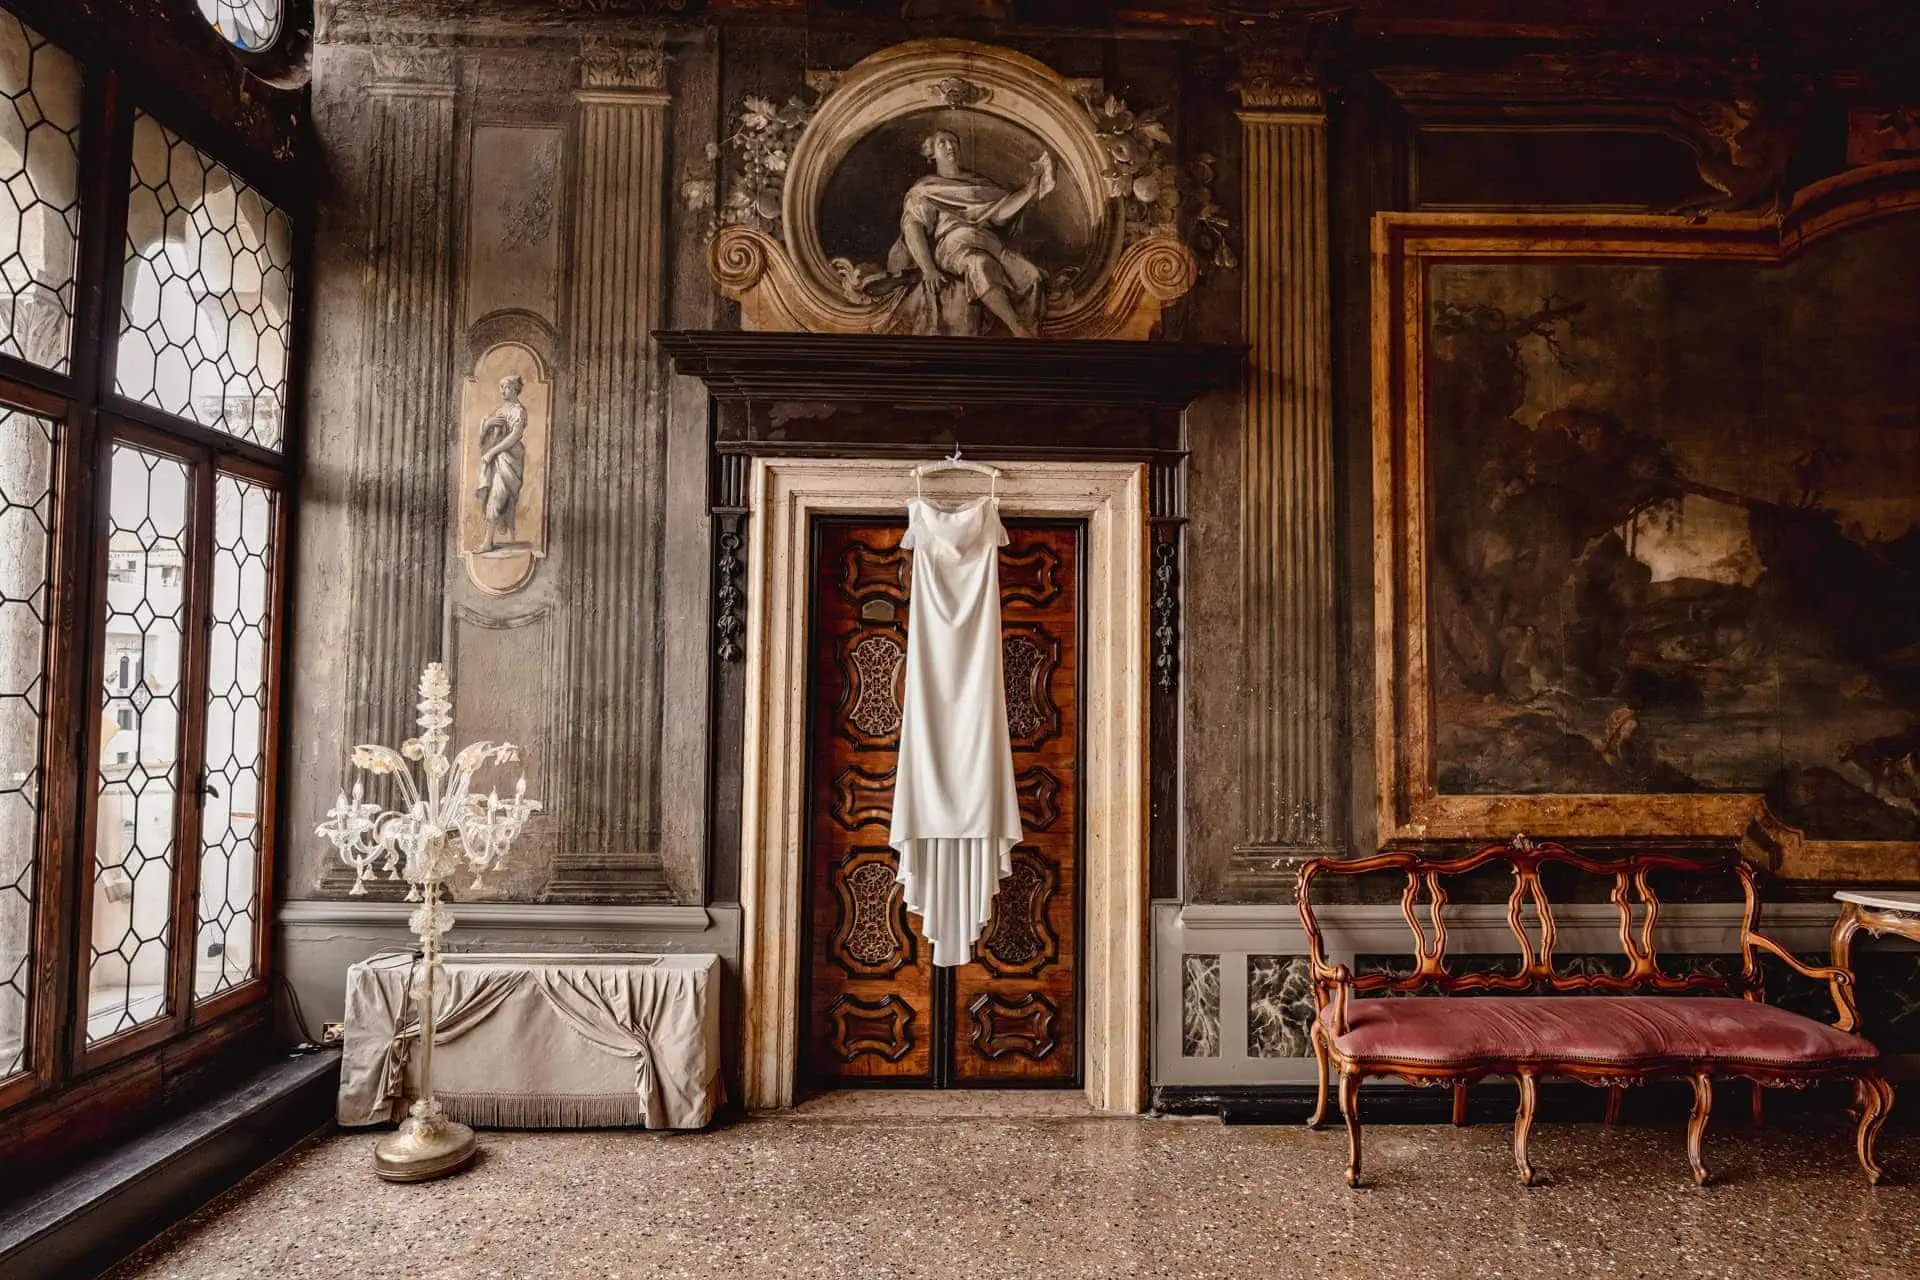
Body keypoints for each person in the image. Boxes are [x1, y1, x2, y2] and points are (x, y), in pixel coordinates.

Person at [888, 128, 1055, 337]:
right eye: (942, 143)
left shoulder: (978, 184)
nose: (950, 146)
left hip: (990, 244)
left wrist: (1030, 190)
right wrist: (929, 269)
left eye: (953, 142)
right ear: (931, 154)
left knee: (1030, 275)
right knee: (979, 264)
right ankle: (1017, 328)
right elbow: (913, 226)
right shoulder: (925, 188)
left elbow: (998, 213)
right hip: (953, 245)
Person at [474, 375, 527, 553]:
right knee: (492, 497)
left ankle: (487, 542)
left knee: (496, 497)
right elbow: (483, 439)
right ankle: (487, 541)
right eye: (501, 387)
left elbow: (515, 436)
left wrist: (492, 452)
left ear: (515, 389)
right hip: (496, 460)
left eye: (506, 387)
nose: (502, 390)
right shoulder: (499, 411)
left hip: (509, 460)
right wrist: (486, 425)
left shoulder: (519, 411)